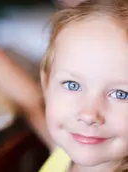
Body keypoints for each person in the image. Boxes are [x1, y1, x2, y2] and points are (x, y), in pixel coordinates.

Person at [40, 0, 128, 171]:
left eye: (121, 94)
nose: (88, 115)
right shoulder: (63, 154)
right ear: (46, 86)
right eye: (72, 85)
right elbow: (28, 102)